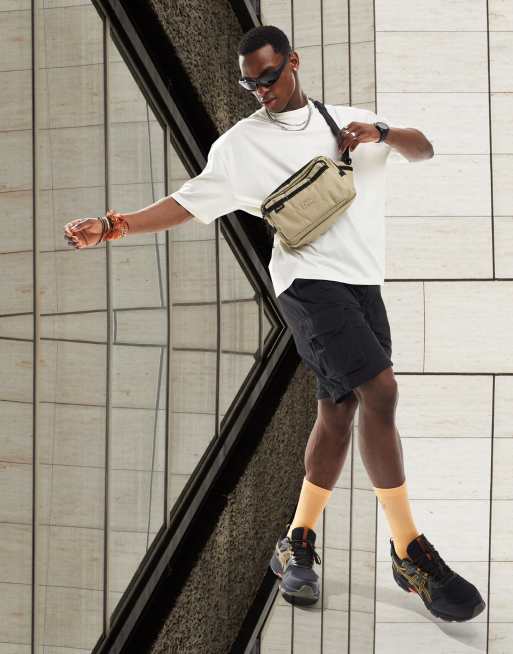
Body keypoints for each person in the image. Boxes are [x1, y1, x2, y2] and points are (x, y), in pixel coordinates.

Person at [64, 25, 485, 622]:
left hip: (363, 285)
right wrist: (116, 225)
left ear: (293, 62)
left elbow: (425, 149)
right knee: (381, 391)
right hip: (307, 285)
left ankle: (297, 541)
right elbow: (188, 202)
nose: (261, 90)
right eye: (249, 83)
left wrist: (382, 132)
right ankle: (409, 549)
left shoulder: (350, 121)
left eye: (268, 76)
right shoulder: (242, 145)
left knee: (339, 410)